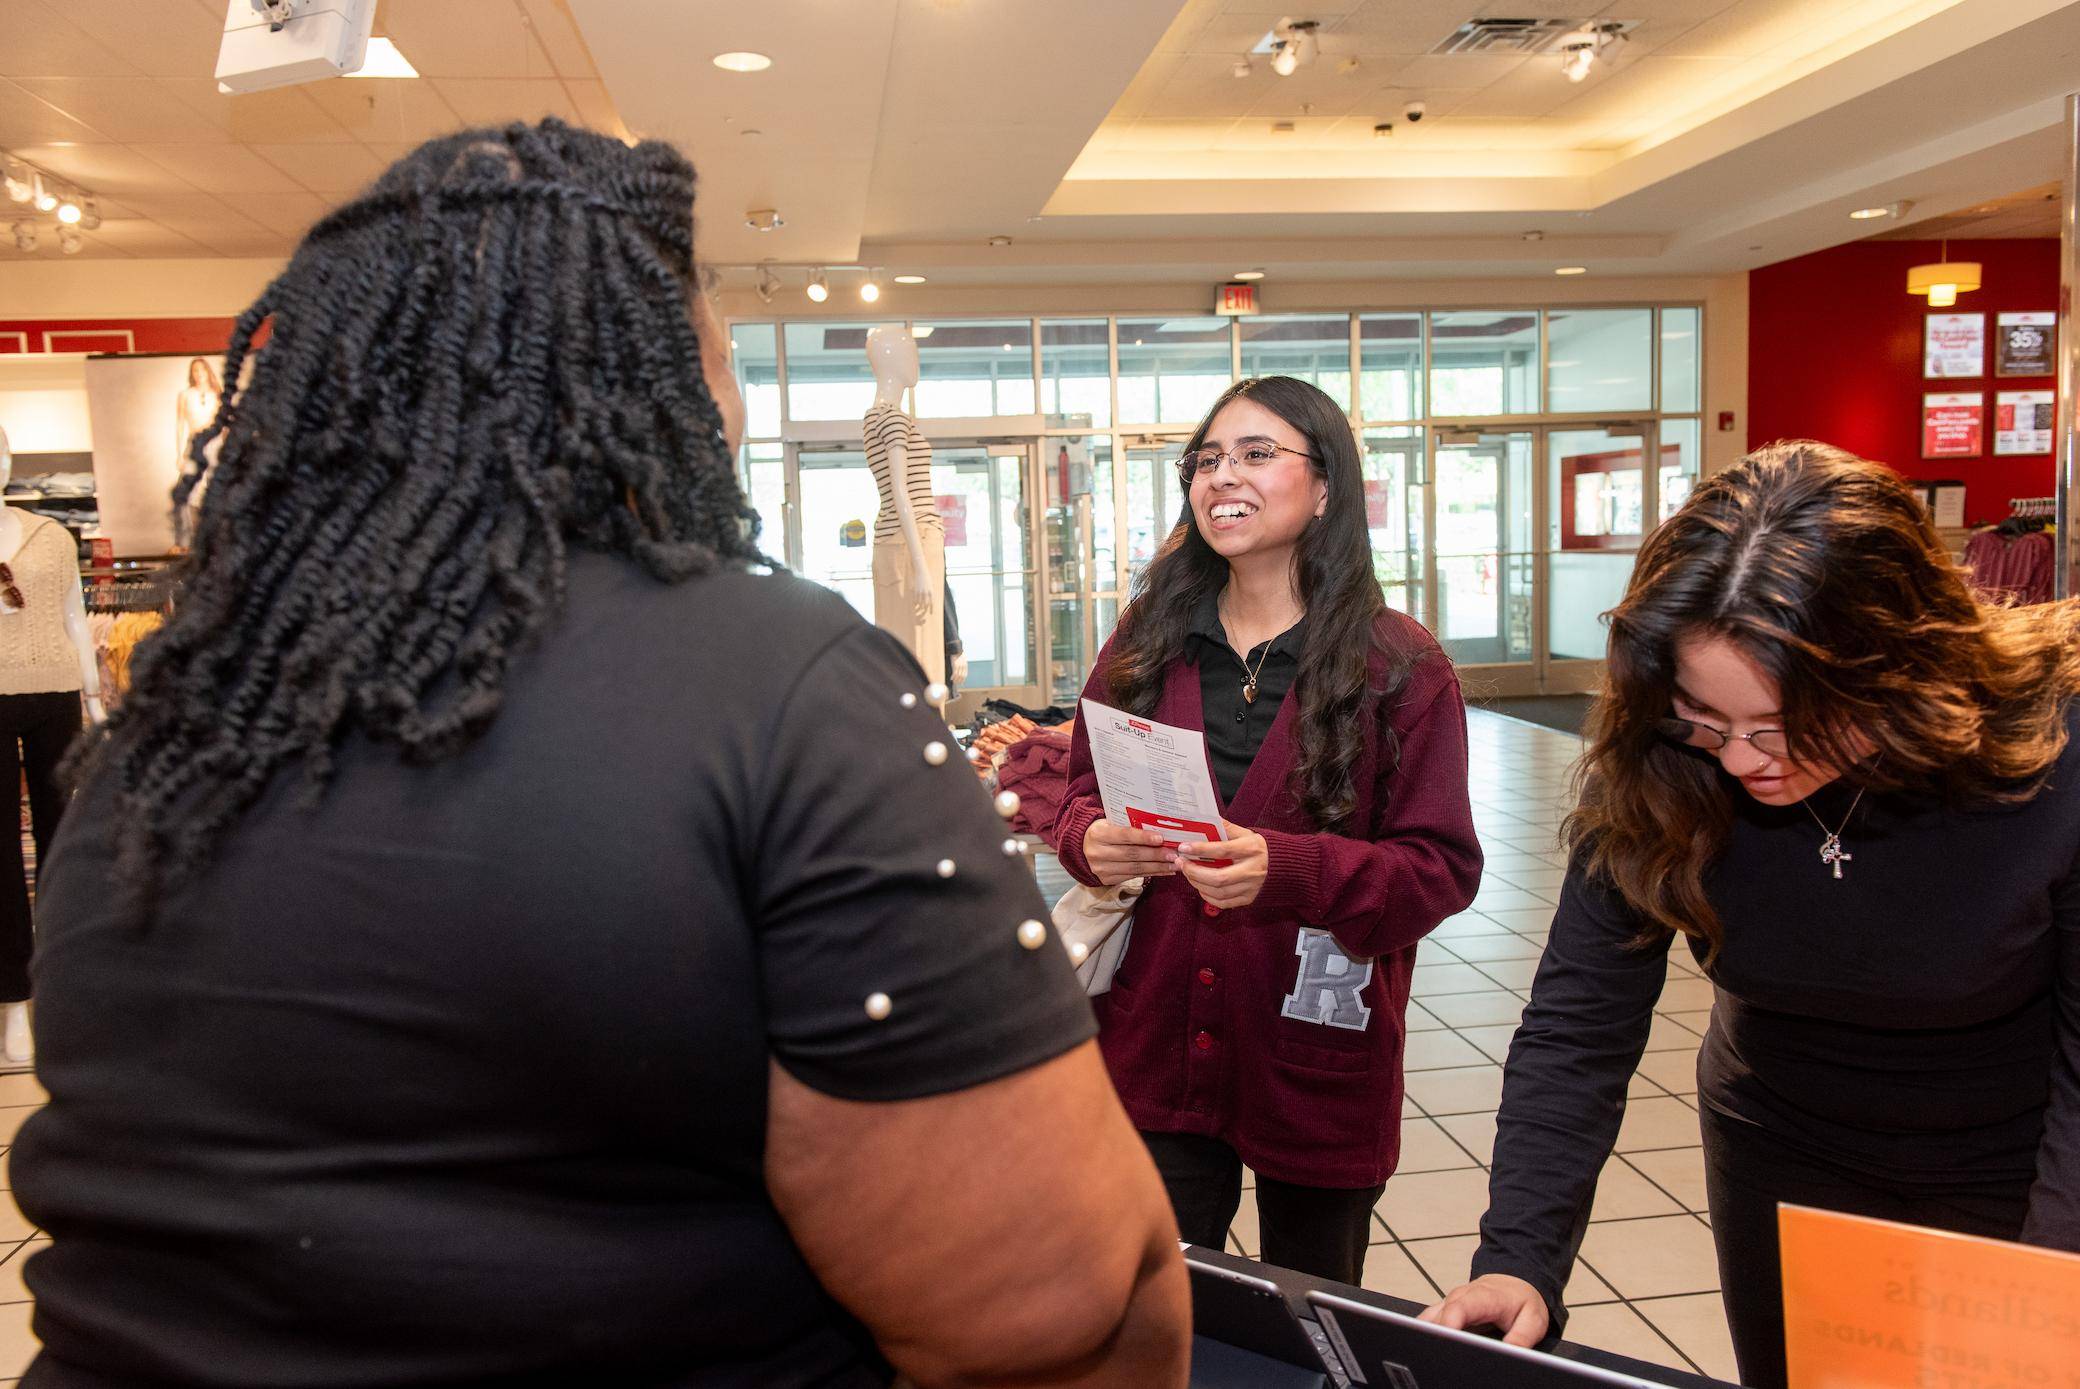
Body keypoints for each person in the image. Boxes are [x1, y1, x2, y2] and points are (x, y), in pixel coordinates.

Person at [12, 120, 1188, 1389]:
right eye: (726, 360)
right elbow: (1050, 1304)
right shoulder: (778, 678)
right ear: (667, 383)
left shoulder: (174, 724)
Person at [1424, 442, 2080, 1388]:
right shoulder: (1661, 767)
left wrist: (2046, 1282)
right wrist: (1517, 1254)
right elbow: (1580, 1023)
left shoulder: (2049, 750)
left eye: (1784, 727)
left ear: (1902, 670)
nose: (1738, 760)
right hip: (1781, 1143)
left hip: (2015, 1155)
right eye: (1705, 719)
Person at [1050, 375, 1483, 1286]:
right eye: (1205, 459)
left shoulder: (1400, 665)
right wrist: (1089, 838)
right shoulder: (1147, 638)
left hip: (1316, 1051)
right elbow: (1076, 787)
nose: (1220, 477)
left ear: (1326, 485)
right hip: (1157, 1036)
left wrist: (1290, 870)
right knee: (1160, 1304)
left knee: (1310, 1317)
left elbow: (1439, 867)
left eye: (1255, 453)